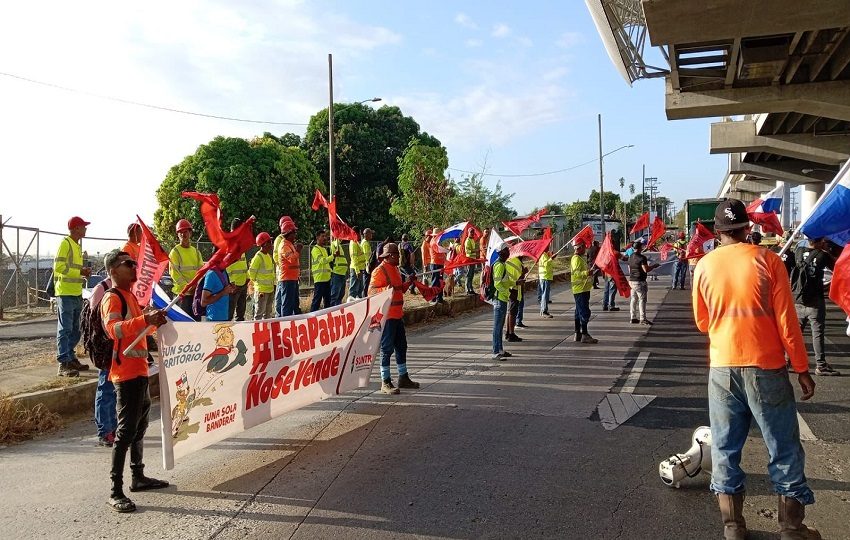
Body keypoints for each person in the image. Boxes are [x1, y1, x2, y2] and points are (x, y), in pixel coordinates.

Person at [693, 199, 820, 540]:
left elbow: (703, 322)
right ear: (747, 228)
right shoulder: (769, 260)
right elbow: (787, 323)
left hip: (722, 368)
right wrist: (802, 367)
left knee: (725, 447)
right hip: (766, 367)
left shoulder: (703, 266)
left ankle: (733, 526)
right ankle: (791, 528)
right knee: (783, 447)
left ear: (717, 231)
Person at [100, 250, 169, 513]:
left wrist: (153, 322)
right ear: (113, 270)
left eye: (133, 263)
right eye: (127, 264)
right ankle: (115, 491)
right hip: (126, 375)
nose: (133, 267)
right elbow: (113, 330)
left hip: (140, 371)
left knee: (139, 428)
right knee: (125, 432)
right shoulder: (113, 297)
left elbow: (138, 331)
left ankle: (138, 476)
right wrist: (144, 319)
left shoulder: (129, 296)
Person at [368, 243, 420, 394]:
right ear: (390, 256)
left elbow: (400, 290)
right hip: (387, 317)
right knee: (387, 349)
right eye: (397, 254)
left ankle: (403, 377)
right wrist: (385, 289)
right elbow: (371, 292)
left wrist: (409, 282)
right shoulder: (379, 271)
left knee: (401, 346)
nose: (399, 257)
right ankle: (385, 381)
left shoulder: (395, 269)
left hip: (397, 315)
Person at [791, 237, 840, 376]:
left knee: (796, 333)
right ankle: (821, 365)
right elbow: (838, 267)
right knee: (817, 333)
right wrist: (827, 251)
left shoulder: (798, 251)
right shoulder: (823, 255)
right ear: (820, 242)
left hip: (797, 297)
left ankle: (788, 360)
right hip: (815, 299)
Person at [54, 216, 93, 377]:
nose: (85, 229)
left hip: (76, 292)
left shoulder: (76, 246)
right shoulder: (66, 244)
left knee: (76, 330)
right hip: (65, 293)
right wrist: (80, 271)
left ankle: (70, 358)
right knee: (65, 329)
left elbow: (72, 269)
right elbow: (59, 267)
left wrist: (83, 273)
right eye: (83, 226)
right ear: (76, 228)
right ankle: (63, 363)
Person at [168, 219, 204, 321]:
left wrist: (196, 286)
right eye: (181, 232)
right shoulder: (175, 252)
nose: (183, 234)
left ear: (190, 233)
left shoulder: (196, 252)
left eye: (186, 231)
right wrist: (188, 287)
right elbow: (174, 274)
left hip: (195, 294)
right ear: (178, 235)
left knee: (195, 323)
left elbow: (202, 271)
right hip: (182, 296)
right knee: (183, 324)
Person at [491, 243, 516, 360]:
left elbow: (505, 281)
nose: (508, 252)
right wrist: (508, 293)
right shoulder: (499, 266)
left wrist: (515, 283)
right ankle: (496, 352)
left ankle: (500, 350)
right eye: (506, 250)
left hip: (502, 298)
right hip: (499, 299)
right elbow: (497, 284)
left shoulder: (502, 264)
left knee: (500, 327)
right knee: (497, 327)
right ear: (502, 252)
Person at [571, 242, 597, 344]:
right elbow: (576, 273)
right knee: (584, 312)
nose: (585, 249)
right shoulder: (576, 259)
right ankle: (584, 334)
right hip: (580, 289)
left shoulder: (579, 258)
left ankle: (577, 333)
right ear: (579, 248)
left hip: (583, 288)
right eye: (584, 247)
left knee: (578, 312)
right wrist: (587, 273)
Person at [628, 239, 659, 325]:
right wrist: (654, 266)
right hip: (640, 281)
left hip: (632, 280)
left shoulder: (630, 256)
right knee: (642, 300)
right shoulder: (642, 258)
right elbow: (646, 269)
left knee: (633, 299)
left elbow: (629, 269)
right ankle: (643, 318)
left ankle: (633, 317)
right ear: (640, 248)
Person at [277, 217, 301, 316]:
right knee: (287, 306)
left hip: (292, 279)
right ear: (289, 233)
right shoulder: (284, 246)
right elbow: (291, 259)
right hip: (287, 280)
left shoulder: (289, 244)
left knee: (293, 304)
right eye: (294, 232)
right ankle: (285, 323)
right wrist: (298, 251)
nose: (295, 235)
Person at [225, 218, 249, 321]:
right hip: (233, 286)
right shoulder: (228, 245)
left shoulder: (240, 244)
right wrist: (232, 282)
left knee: (241, 314)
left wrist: (247, 277)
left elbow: (243, 261)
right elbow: (227, 265)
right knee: (229, 315)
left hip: (243, 283)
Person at [248, 232, 276, 319]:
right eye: (270, 242)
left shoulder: (268, 256)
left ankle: (266, 328)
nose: (271, 244)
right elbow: (251, 274)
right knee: (259, 314)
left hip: (270, 289)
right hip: (262, 291)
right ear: (264, 244)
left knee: (268, 315)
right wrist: (257, 285)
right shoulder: (258, 257)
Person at [310, 230, 334, 311]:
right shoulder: (315, 249)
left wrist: (330, 272)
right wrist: (333, 256)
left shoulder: (323, 249)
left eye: (325, 236)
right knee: (317, 301)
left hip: (327, 278)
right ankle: (312, 316)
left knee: (327, 301)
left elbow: (326, 264)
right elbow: (322, 261)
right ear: (317, 237)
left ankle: (327, 316)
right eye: (322, 236)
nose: (325, 238)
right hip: (320, 279)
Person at [329, 236, 348, 306]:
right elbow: (334, 255)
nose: (341, 237)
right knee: (335, 294)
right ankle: (333, 308)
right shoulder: (334, 244)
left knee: (341, 293)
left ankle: (338, 307)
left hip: (342, 272)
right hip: (337, 272)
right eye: (339, 236)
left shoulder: (339, 245)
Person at [348, 226, 365, 300]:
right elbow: (354, 258)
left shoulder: (356, 242)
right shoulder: (353, 243)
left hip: (360, 269)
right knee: (353, 291)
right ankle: (350, 305)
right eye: (360, 233)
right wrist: (357, 271)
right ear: (356, 233)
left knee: (359, 291)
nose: (360, 236)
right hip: (356, 269)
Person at [429, 228, 446, 303]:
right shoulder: (433, 242)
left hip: (440, 264)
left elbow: (442, 252)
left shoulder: (438, 242)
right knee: (435, 281)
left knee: (440, 281)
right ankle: (433, 298)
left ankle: (439, 297)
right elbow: (440, 250)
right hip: (435, 264)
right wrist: (448, 250)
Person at [538, 249, 554, 318]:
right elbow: (546, 264)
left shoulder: (545, 255)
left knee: (545, 295)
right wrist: (551, 258)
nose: (548, 248)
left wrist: (550, 257)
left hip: (546, 276)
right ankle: (544, 311)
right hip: (545, 277)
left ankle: (543, 310)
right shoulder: (543, 255)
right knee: (545, 295)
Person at [464, 229, 479, 295]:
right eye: (471, 232)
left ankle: (471, 289)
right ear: (468, 233)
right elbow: (467, 251)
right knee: (469, 275)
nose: (472, 233)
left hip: (473, 259)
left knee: (471, 275)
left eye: (473, 232)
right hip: (469, 260)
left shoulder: (472, 240)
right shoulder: (467, 240)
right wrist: (475, 251)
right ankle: (467, 289)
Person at [361, 228, 375, 293]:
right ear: (366, 234)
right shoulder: (365, 243)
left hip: (365, 265)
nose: (371, 235)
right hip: (366, 266)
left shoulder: (364, 242)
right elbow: (367, 256)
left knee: (366, 283)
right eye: (370, 233)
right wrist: (368, 265)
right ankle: (365, 296)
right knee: (366, 283)